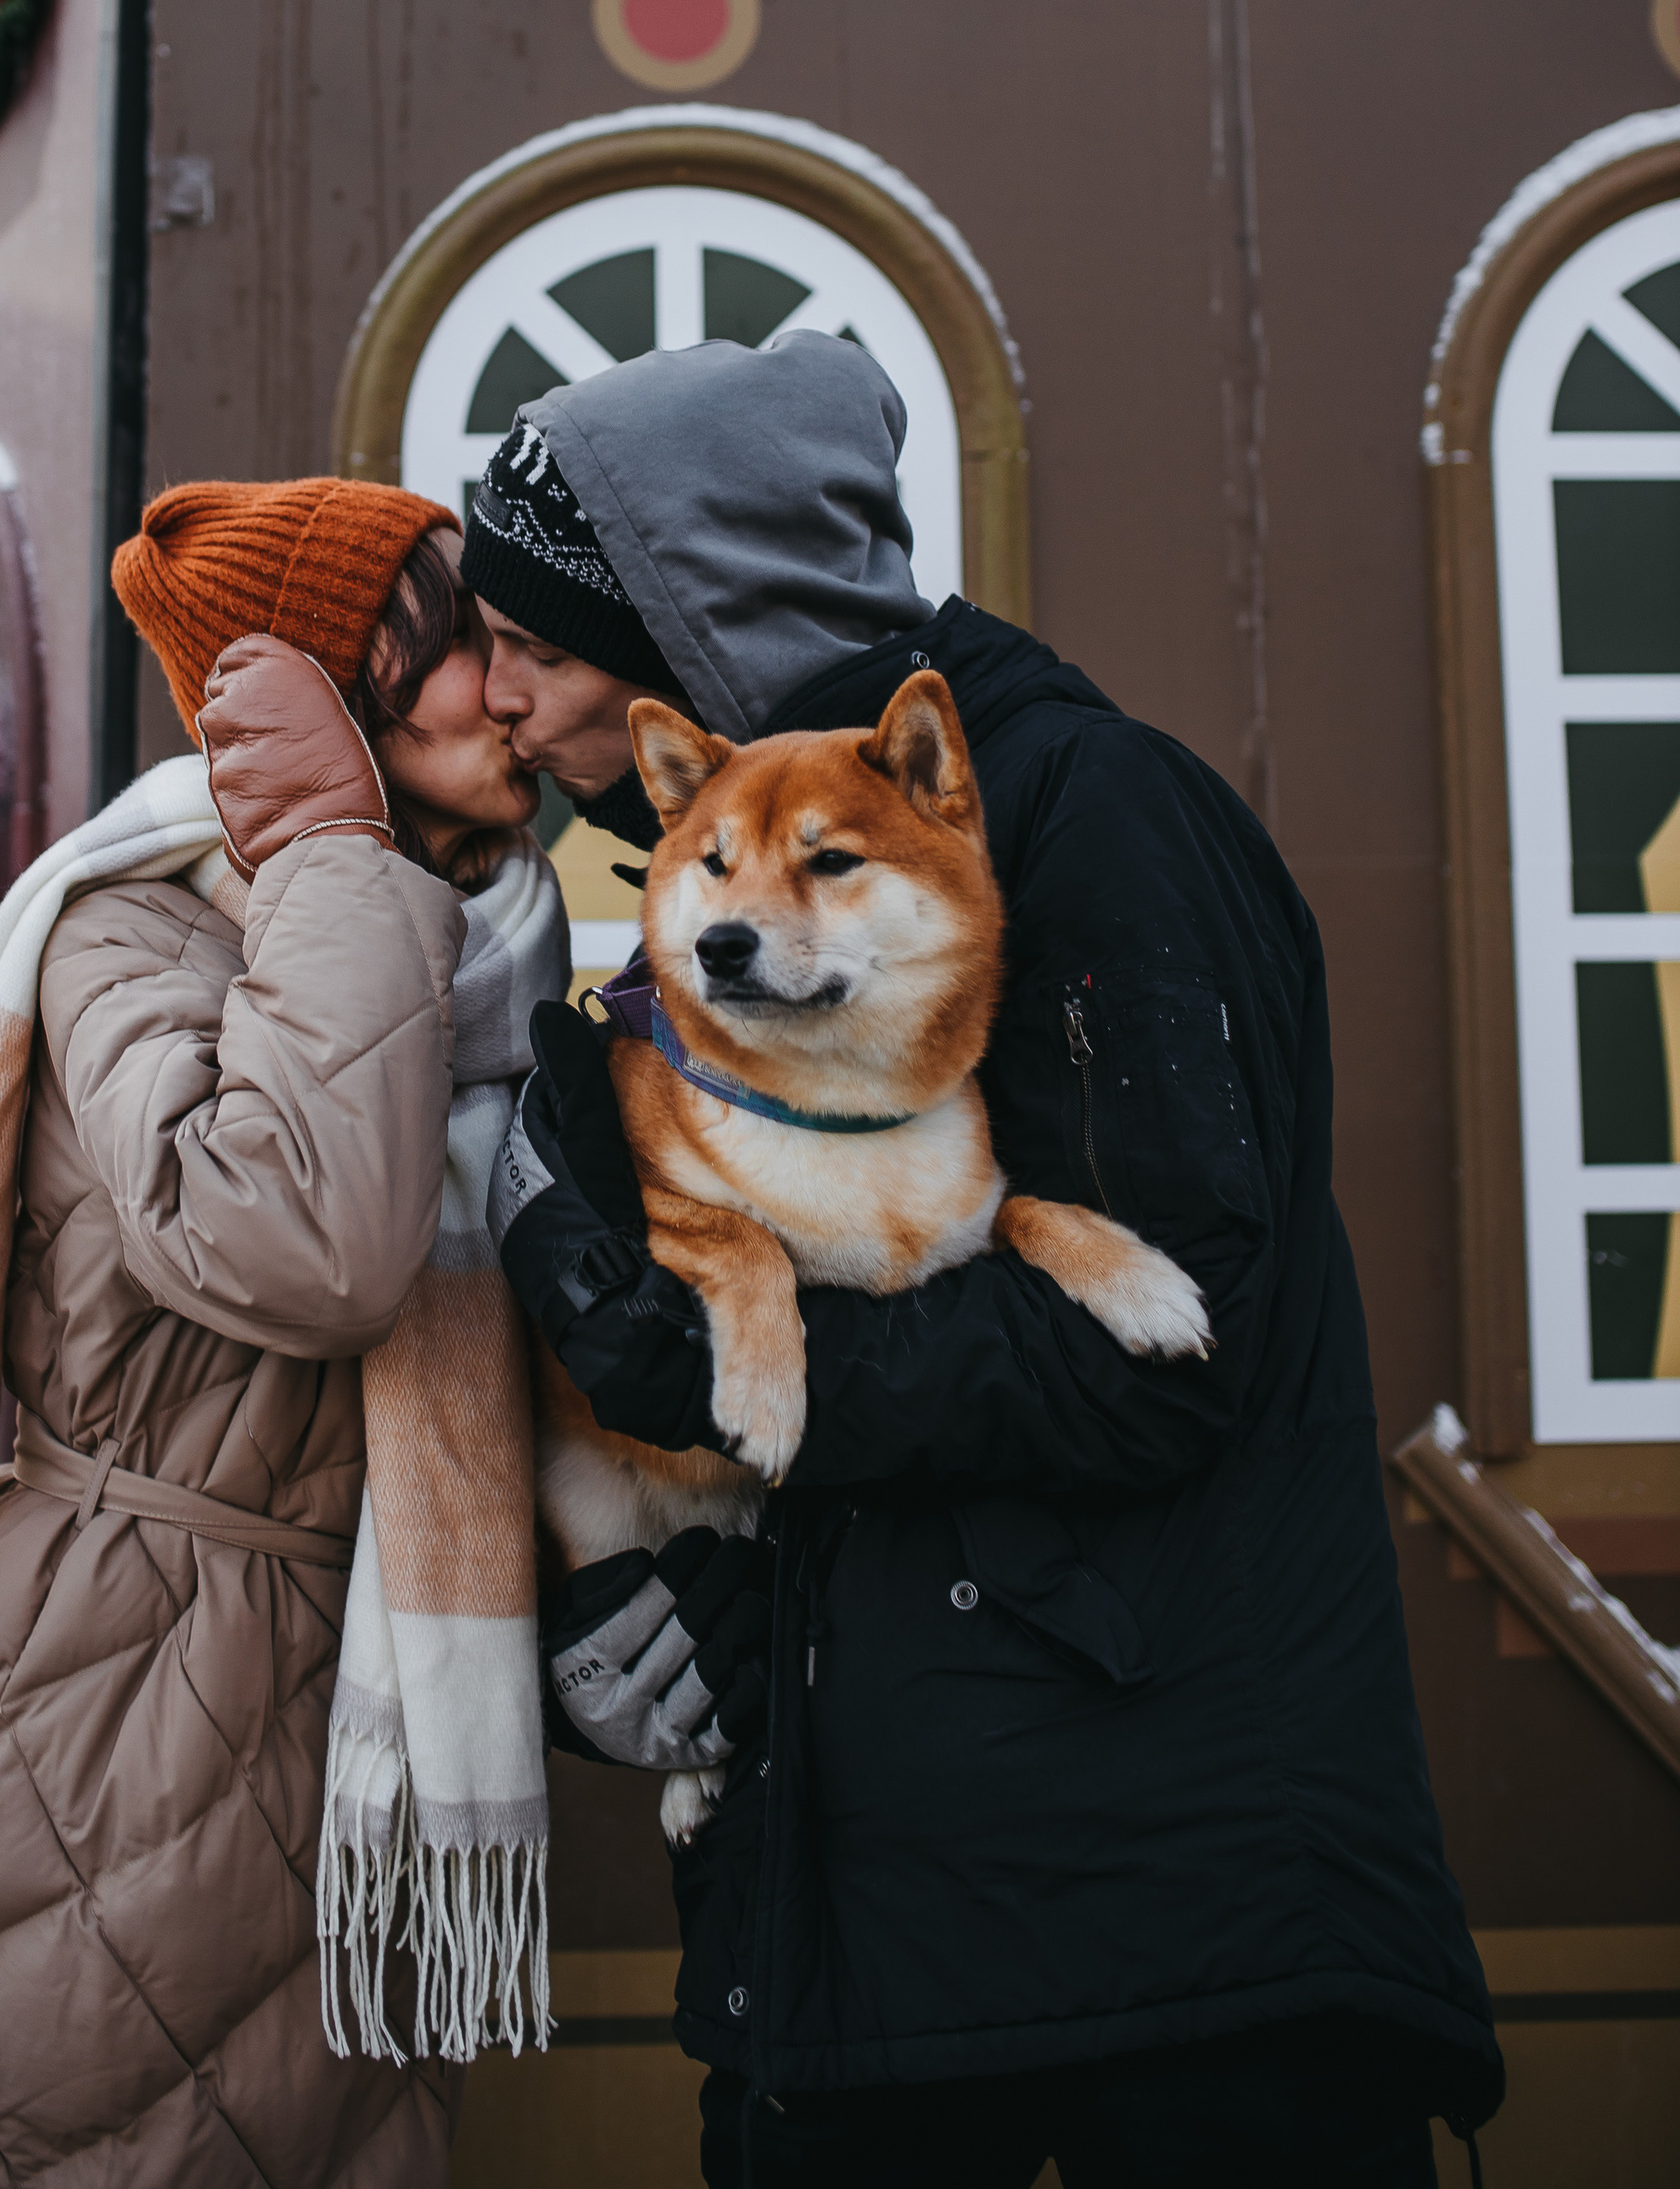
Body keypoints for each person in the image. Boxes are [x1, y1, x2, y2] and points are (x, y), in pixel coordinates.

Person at [462, 337, 1503, 2189]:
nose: (498, 700)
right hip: (866, 1940)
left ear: (696, 632)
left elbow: (1164, 1338)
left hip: (1176, 1954)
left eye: (532, 644)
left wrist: (712, 1368)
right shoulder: (690, 928)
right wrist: (647, 1605)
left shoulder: (1093, 826)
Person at [0, 477, 568, 2189]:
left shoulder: (478, 956)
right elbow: (302, 1243)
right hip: (109, 1722)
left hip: (337, 1747)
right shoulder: (134, 931)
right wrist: (333, 852)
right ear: (332, 693)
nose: (508, 687)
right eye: (457, 647)